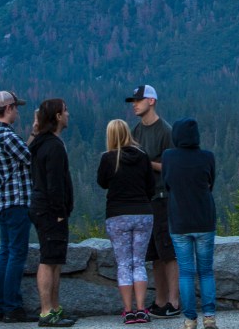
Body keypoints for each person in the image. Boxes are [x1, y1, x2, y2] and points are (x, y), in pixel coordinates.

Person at [128, 85, 180, 319]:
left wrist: (145, 163)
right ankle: (160, 301)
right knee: (154, 254)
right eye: (133, 101)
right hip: (144, 199)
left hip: (162, 198)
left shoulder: (165, 131)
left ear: (151, 101)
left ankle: (174, 301)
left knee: (168, 251)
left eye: (138, 100)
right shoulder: (136, 131)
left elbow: (172, 165)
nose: (134, 104)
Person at [98, 119, 155, 324]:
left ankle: (128, 310)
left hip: (117, 215)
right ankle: (142, 309)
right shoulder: (142, 156)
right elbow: (150, 186)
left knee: (124, 264)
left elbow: (102, 182)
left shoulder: (108, 158)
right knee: (138, 262)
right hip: (142, 213)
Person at [162, 118, 216, 329]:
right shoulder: (207, 157)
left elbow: (167, 184)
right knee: (206, 271)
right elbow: (211, 183)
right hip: (204, 219)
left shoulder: (169, 157)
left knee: (185, 272)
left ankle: (189, 319)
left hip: (179, 220)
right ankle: (209, 316)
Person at [0, 91, 34, 323]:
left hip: (2, 203)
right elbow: (29, 158)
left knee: (4, 253)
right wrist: (36, 135)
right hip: (16, 202)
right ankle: (12, 307)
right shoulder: (7, 135)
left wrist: (31, 136)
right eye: (15, 108)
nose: (17, 112)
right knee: (16, 254)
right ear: (7, 109)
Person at [30, 98, 76, 328]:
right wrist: (59, 212)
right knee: (49, 260)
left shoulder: (42, 143)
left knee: (55, 259)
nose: (68, 115)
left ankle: (55, 309)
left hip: (43, 208)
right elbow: (54, 183)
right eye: (65, 111)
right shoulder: (54, 146)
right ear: (57, 117)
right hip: (50, 211)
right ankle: (47, 311)